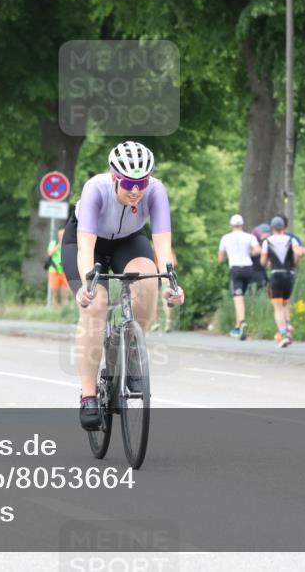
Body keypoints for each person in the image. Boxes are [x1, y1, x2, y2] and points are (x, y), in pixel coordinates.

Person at [62, 141, 185, 430]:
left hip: (129, 241)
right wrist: (87, 285)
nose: (135, 190)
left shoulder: (155, 190)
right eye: (128, 183)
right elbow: (85, 246)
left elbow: (162, 242)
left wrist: (171, 280)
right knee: (96, 305)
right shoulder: (96, 188)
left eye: (141, 183)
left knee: (147, 282)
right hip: (87, 242)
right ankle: (89, 395)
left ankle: (130, 350)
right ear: (114, 176)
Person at [260, 216, 304, 348]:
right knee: (285, 304)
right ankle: (287, 324)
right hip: (289, 276)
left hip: (276, 275)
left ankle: (283, 334)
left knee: (277, 307)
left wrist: (268, 263)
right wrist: (295, 262)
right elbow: (298, 254)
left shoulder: (267, 241)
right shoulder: (292, 239)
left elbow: (262, 261)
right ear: (284, 228)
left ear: (272, 228)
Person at [217, 214, 262, 340]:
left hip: (235, 268)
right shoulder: (250, 236)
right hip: (248, 268)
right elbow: (258, 250)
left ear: (231, 225)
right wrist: (250, 252)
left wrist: (229, 255)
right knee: (241, 296)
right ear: (242, 224)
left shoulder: (225, 238)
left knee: (238, 297)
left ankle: (242, 322)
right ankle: (238, 327)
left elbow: (220, 259)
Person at [47, 228, 70, 306]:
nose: (62, 236)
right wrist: (58, 246)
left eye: (63, 235)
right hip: (54, 271)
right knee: (55, 293)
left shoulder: (68, 243)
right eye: (60, 235)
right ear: (58, 236)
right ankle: (55, 309)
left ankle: (65, 310)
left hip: (65, 271)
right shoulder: (53, 243)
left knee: (65, 294)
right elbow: (50, 253)